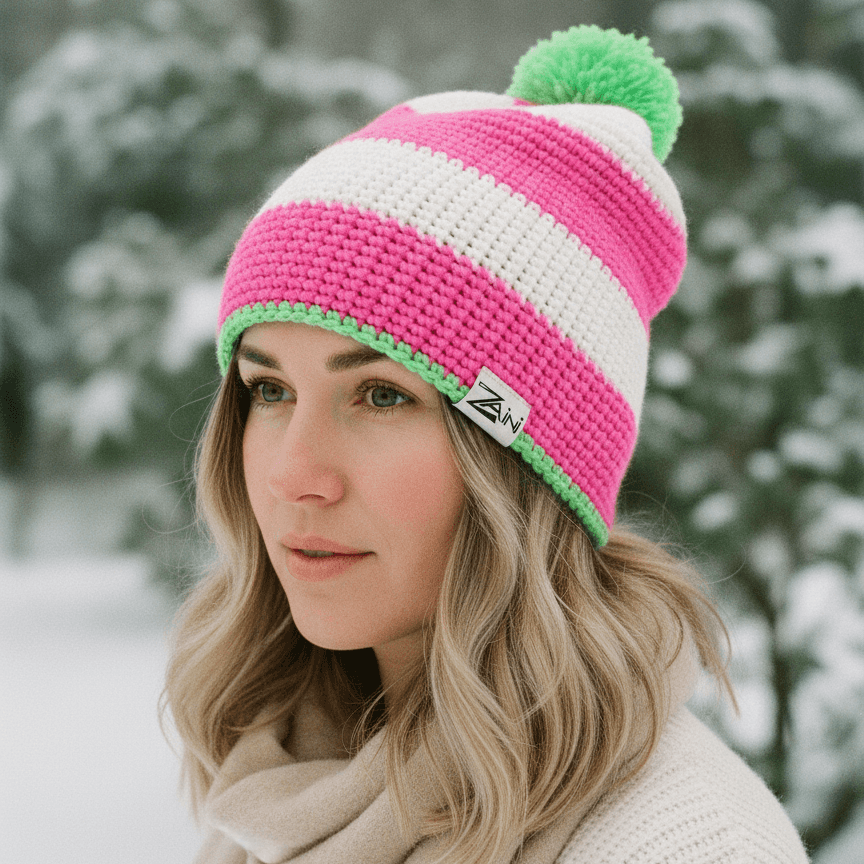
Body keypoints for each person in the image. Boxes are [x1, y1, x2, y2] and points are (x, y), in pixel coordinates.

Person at [163, 25, 809, 864]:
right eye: (271, 389)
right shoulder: (272, 783)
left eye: (383, 394)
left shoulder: (684, 845)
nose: (294, 474)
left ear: (521, 462)